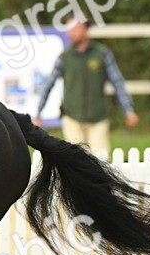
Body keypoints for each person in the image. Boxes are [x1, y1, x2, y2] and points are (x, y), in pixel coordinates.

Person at [33, 14, 139, 156]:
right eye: (69, 30)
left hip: (98, 118)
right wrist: (39, 112)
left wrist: (128, 110)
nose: (70, 33)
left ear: (85, 29)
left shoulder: (102, 54)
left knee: (100, 160)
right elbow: (48, 84)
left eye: (74, 29)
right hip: (72, 117)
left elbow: (117, 82)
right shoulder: (65, 57)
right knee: (76, 159)